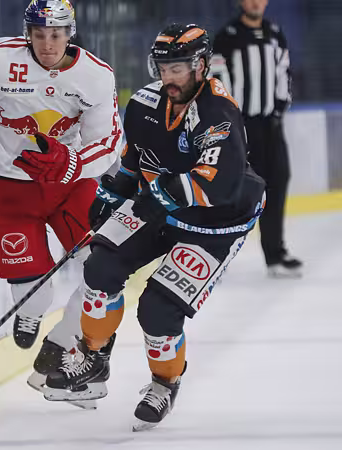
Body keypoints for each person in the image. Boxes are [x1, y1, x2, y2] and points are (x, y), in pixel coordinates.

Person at [40, 24, 266, 431]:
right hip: (161, 206)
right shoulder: (145, 103)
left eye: (178, 69)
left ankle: (164, 383)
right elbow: (134, 159)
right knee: (100, 267)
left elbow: (217, 182)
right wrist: (111, 192)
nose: (169, 78)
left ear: (200, 66)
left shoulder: (218, 111)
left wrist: (156, 195)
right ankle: (93, 357)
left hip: (216, 222)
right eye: (163, 69)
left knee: (158, 310)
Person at [0, 0, 121, 363]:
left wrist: (72, 162)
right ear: (27, 33)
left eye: (56, 35)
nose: (47, 44)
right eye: (39, 34)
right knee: (33, 293)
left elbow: (107, 142)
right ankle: (31, 312)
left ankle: (68, 340)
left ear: (70, 33)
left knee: (104, 268)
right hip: (9, 189)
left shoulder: (96, 75)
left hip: (69, 185)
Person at [211, 0, 300, 278]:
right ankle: (213, 256)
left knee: (278, 182)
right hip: (241, 128)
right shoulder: (227, 36)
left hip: (271, 126)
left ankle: (275, 254)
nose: (255, 2)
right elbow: (217, 78)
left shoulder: (275, 33)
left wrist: (279, 110)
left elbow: (284, 72)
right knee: (233, 191)